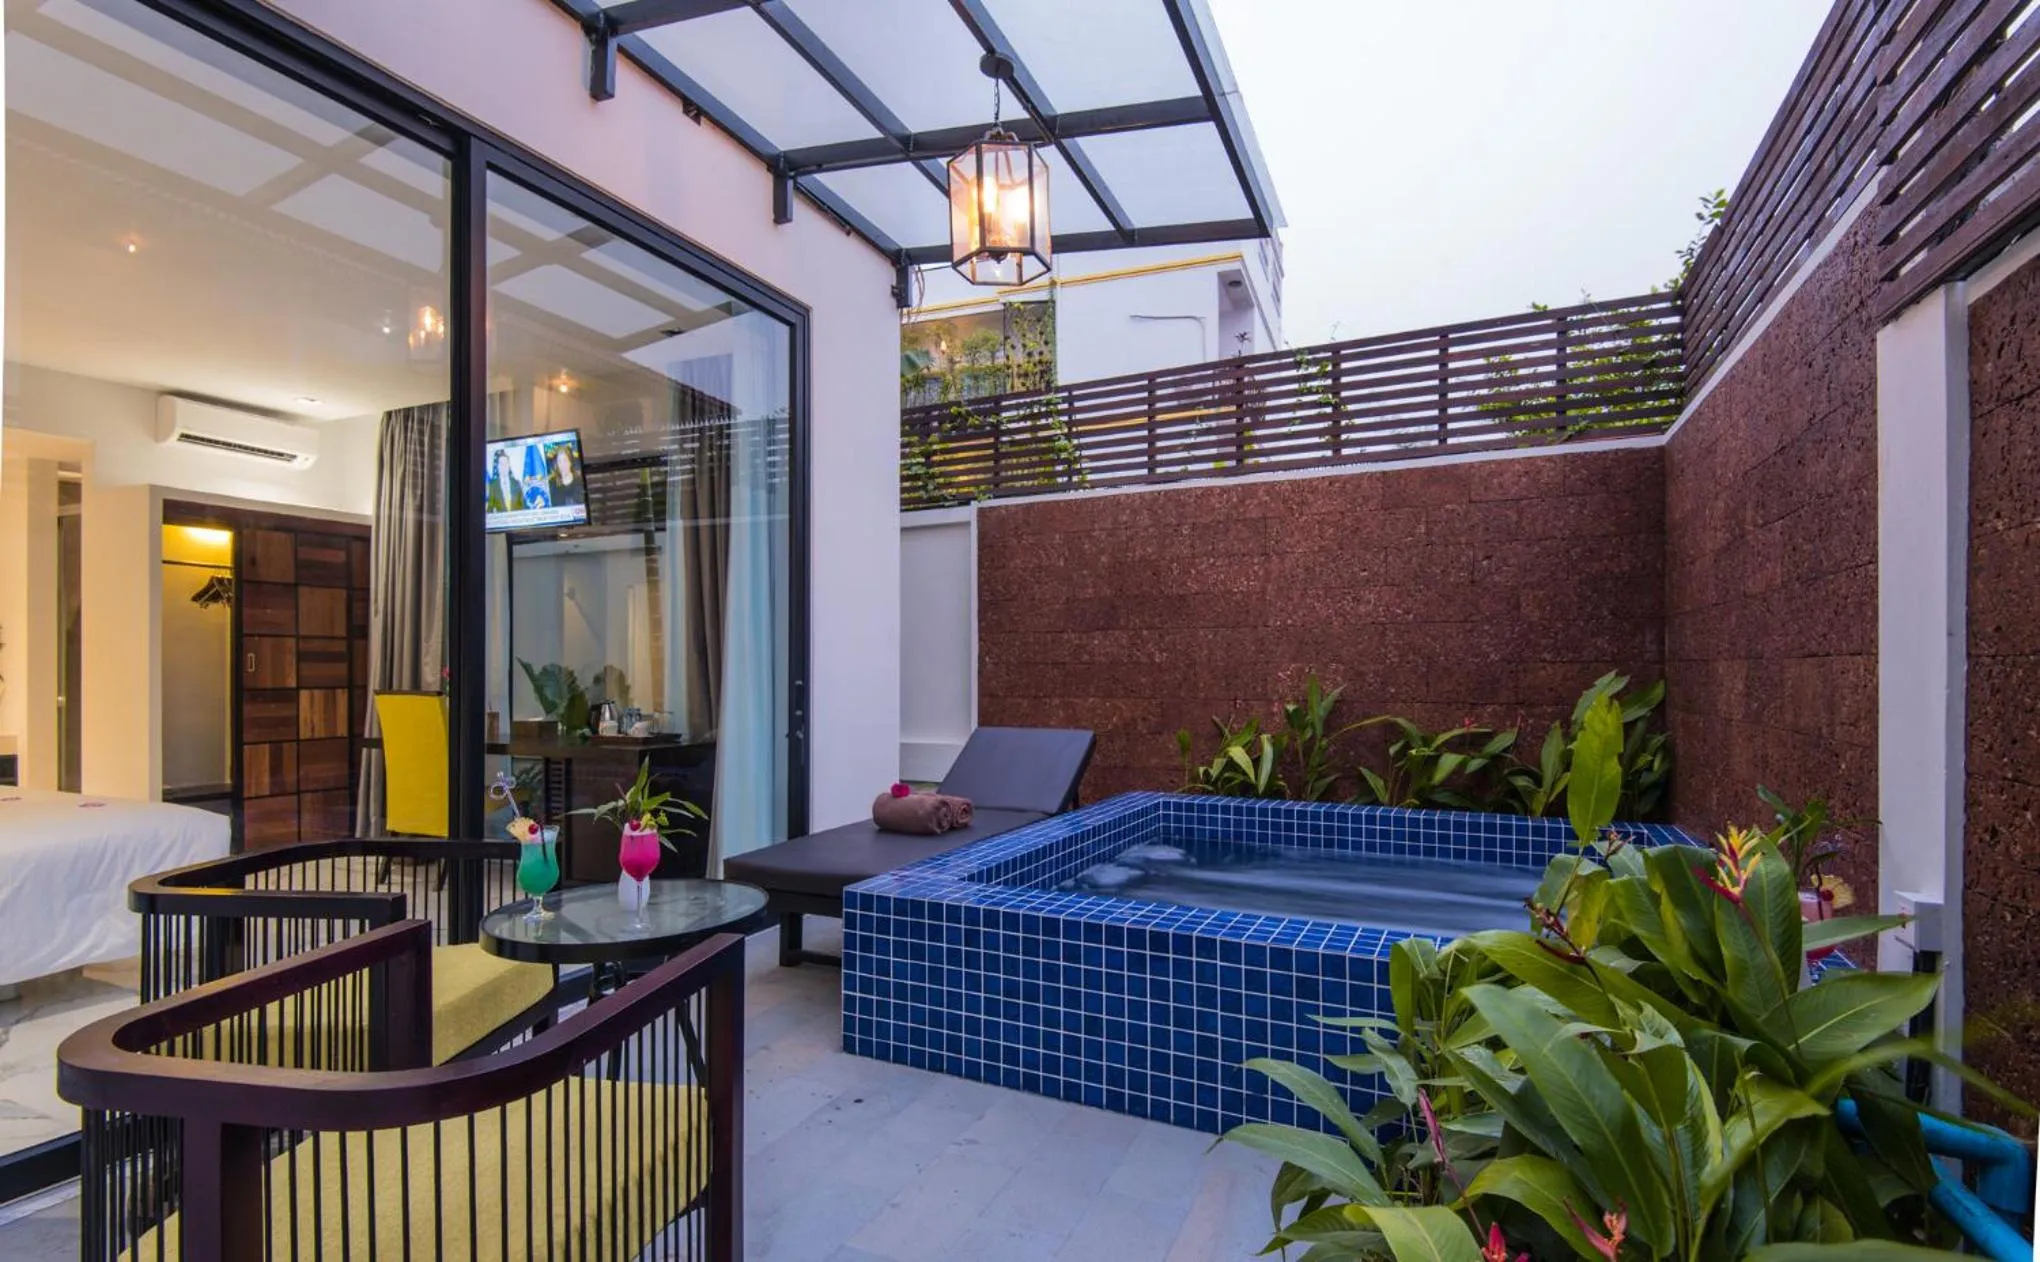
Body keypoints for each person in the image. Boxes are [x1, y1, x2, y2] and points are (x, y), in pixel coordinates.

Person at [547, 442, 586, 509]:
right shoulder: (552, 483)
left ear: (570, 462)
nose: (562, 465)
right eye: (559, 461)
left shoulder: (580, 480)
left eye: (565, 460)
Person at [486, 447, 524, 514]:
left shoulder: (516, 483)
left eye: (505, 463)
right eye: (501, 464)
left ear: (509, 466)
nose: (503, 466)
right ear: (498, 467)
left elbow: (523, 505)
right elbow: (490, 508)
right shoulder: (493, 485)